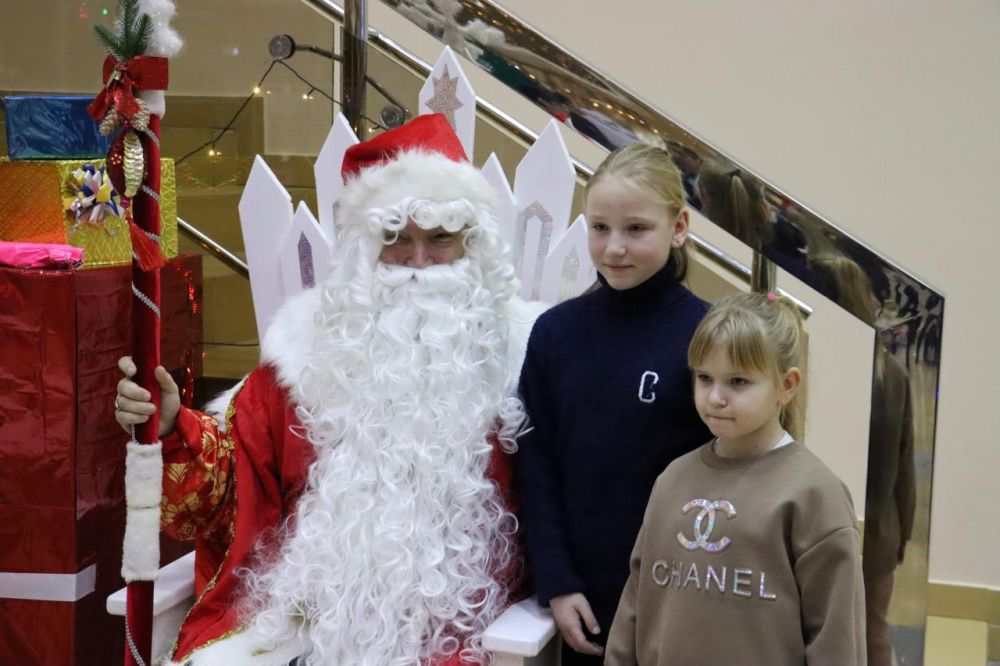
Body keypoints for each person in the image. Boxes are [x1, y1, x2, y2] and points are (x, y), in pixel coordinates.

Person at [113, 114, 548, 666]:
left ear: (474, 244)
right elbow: (229, 488)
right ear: (366, 250)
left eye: (439, 239)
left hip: (459, 633)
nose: (417, 262)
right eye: (396, 239)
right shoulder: (307, 355)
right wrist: (174, 426)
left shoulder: (524, 358)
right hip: (302, 621)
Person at [515, 143, 711, 664]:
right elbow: (536, 466)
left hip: (685, 592)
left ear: (679, 227)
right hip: (586, 598)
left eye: (636, 229)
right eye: (599, 228)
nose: (614, 248)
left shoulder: (707, 336)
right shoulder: (556, 333)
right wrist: (556, 580)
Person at [604, 291, 867, 666]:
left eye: (738, 381)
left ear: (787, 385)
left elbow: (836, 639)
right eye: (705, 378)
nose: (715, 397)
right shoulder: (673, 480)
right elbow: (634, 607)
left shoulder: (814, 494)